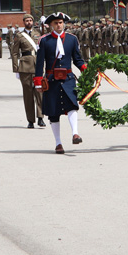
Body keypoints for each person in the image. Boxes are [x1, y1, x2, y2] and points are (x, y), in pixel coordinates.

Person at [34, 12, 87, 154]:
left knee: (72, 105)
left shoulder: (72, 39)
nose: (59, 25)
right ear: (51, 25)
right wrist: (38, 81)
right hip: (51, 80)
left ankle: (75, 134)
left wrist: (86, 69)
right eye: (56, 23)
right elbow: (40, 63)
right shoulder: (44, 40)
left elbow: (77, 59)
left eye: (61, 22)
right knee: (53, 112)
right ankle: (58, 143)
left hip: (68, 78)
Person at [11, 13, 46, 128]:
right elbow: (15, 52)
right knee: (28, 95)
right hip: (25, 67)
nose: (29, 22)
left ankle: (40, 117)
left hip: (38, 66)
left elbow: (49, 36)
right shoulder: (19, 35)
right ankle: (30, 120)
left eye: (30, 20)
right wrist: (16, 69)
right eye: (27, 20)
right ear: (24, 22)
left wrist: (45, 23)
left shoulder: (39, 33)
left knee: (40, 93)